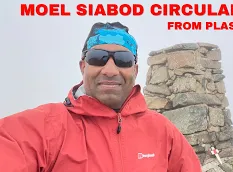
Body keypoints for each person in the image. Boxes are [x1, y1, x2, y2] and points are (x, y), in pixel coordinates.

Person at [0, 22, 202, 171]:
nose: (110, 70)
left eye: (123, 60)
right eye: (98, 58)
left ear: (135, 70)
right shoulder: (46, 125)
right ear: (83, 67)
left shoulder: (162, 131)